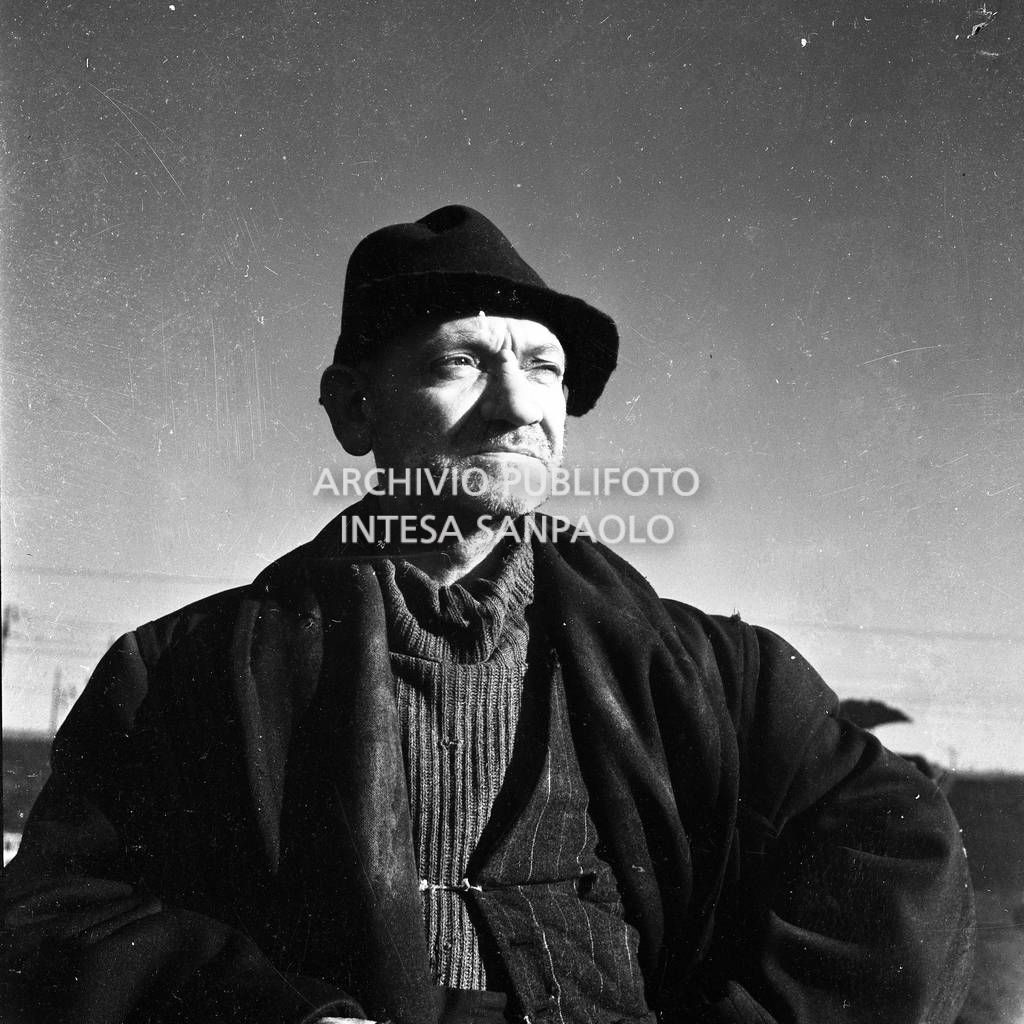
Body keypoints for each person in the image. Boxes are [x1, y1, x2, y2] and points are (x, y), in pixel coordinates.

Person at [1, 206, 974, 1024]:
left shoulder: (710, 670)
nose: (521, 408)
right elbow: (55, 916)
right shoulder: (186, 672)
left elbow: (896, 839)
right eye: (462, 363)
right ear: (353, 409)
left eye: (545, 371)